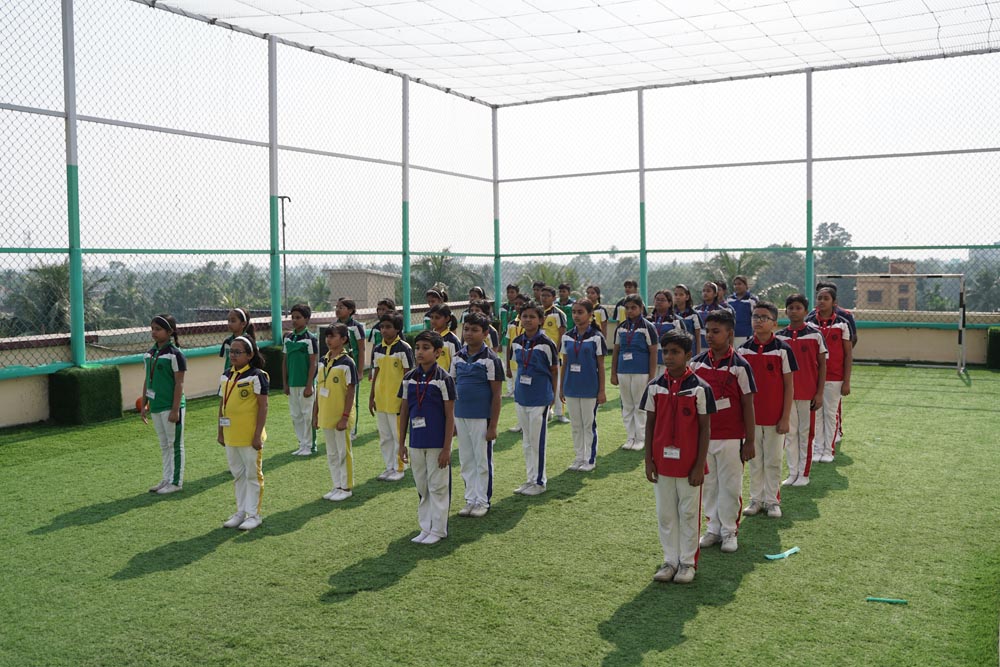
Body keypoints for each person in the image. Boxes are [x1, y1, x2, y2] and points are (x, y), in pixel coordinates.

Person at [641, 328, 716, 584]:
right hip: (662, 464)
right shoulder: (655, 387)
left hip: (689, 465)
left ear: (688, 354)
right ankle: (670, 561)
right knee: (666, 514)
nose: (669, 357)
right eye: (665, 352)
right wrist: (649, 460)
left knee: (688, 514)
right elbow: (650, 425)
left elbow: (705, 429)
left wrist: (699, 465)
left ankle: (687, 563)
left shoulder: (700, 388)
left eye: (675, 352)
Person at [691, 310, 757, 553]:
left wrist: (749, 440)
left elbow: (748, 404)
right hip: (704, 437)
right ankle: (713, 528)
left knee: (730, 486)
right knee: (709, 485)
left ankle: (729, 531)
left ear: (730, 333)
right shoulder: (696, 363)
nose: (709, 335)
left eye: (716, 331)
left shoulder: (740, 365)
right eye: (707, 331)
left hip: (731, 437)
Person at [738, 302, 798, 519]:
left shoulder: (783, 349)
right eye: (755, 316)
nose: (759, 321)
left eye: (764, 317)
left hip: (775, 417)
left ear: (774, 323)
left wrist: (785, 417)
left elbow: (789, 386)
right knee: (755, 461)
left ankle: (772, 501)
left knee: (773, 461)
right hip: (751, 418)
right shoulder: (743, 350)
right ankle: (756, 499)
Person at [398, 331, 456, 545]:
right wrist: (401, 443)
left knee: (438, 486)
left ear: (438, 352)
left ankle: (439, 530)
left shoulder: (444, 379)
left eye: (425, 348)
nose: (419, 352)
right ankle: (426, 527)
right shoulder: (409, 378)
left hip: (437, 442)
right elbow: (404, 411)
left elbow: (450, 415)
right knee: (422, 486)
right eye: (417, 348)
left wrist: (447, 448)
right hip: (416, 441)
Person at [452, 312, 504, 518]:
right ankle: (470, 499)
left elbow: (496, 395)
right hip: (460, 416)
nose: (469, 333)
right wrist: (452, 421)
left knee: (482, 460)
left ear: (485, 333)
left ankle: (483, 501)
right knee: (466, 459)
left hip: (482, 417)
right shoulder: (457, 357)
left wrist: (493, 426)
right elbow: (452, 389)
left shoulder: (491, 359)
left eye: (475, 330)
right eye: (466, 329)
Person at [217, 336, 268, 530]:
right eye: (231, 351)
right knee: (238, 474)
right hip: (231, 435)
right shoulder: (226, 375)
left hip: (249, 436)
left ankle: (254, 515)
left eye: (238, 352)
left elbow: (263, 406)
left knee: (253, 474)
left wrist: (257, 435)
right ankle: (241, 512)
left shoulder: (257, 376)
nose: (233, 355)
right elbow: (222, 405)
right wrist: (220, 432)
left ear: (250, 355)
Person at [509, 302, 559, 496]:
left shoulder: (547, 343)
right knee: (527, 441)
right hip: (522, 397)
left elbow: (554, 370)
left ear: (541, 320)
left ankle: (539, 482)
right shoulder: (517, 342)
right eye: (524, 316)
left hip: (540, 397)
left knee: (537, 442)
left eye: (532, 316)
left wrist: (552, 395)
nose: (528, 320)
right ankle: (530, 479)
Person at [777, 294, 827, 486]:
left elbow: (822, 366)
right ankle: (792, 472)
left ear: (806, 311)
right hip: (786, 395)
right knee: (790, 434)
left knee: (805, 433)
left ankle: (804, 474)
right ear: (786, 311)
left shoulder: (815, 335)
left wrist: (819, 393)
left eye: (798, 308)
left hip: (808, 394)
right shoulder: (780, 337)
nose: (794, 311)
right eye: (790, 308)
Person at [140, 314, 187, 495]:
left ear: (170, 332)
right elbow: (147, 380)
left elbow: (179, 383)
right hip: (156, 405)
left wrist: (175, 410)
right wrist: (144, 404)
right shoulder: (149, 354)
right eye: (152, 328)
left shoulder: (175, 354)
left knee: (174, 444)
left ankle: (176, 482)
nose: (154, 332)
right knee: (164, 444)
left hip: (171, 406)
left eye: (158, 329)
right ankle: (166, 478)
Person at [560, 299, 608, 472]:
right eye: (574, 312)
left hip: (590, 388)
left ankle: (590, 459)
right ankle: (579, 457)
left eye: (580, 312)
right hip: (571, 387)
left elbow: (601, 366)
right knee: (576, 425)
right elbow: (565, 364)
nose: (576, 315)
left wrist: (601, 391)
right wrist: (561, 387)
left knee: (588, 425)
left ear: (590, 314)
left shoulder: (596, 337)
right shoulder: (567, 336)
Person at [806, 287, 852, 463]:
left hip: (835, 376)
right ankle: (818, 449)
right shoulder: (810, 323)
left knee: (830, 414)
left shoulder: (842, 324)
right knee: (816, 413)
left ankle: (828, 450)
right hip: (814, 377)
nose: (822, 301)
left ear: (834, 302)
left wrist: (846, 381)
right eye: (819, 298)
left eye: (826, 298)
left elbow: (848, 354)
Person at [313, 324, 358, 501]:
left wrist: (345, 417)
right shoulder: (322, 361)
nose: (328, 340)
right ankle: (336, 485)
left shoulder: (347, 362)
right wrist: (315, 414)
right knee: (332, 453)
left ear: (344, 339)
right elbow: (319, 389)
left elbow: (351, 391)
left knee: (343, 452)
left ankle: (346, 488)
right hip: (326, 414)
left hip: (341, 416)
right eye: (327, 336)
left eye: (333, 336)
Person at [369, 313, 414, 482]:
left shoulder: (404, 348)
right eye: (382, 327)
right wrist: (372, 396)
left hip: (397, 400)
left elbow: (408, 375)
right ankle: (389, 467)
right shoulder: (377, 349)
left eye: (388, 327)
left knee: (398, 436)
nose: (384, 330)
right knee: (385, 436)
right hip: (381, 399)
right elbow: (376, 373)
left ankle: (400, 468)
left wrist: (405, 399)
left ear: (397, 329)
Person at [610, 294, 658, 451]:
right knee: (627, 405)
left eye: (633, 308)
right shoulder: (621, 327)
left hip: (641, 371)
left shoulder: (648, 327)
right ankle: (630, 436)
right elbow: (616, 351)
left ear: (641, 308)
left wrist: (652, 376)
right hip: (623, 370)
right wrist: (613, 373)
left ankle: (641, 438)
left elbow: (653, 352)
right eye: (627, 308)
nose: (630, 311)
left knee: (639, 405)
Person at [284, 303, 318, 456]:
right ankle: (301, 444)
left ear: (307, 319)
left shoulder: (310, 339)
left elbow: (313, 363)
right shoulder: (288, 338)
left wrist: (309, 385)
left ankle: (310, 446)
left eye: (298, 317)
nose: (294, 320)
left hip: (305, 384)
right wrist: (285, 383)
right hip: (292, 383)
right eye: (293, 317)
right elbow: (285, 362)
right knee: (295, 415)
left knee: (308, 415)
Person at [539, 285, 569, 423]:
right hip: (540, 354)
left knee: (557, 383)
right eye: (542, 295)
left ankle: (560, 413)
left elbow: (562, 334)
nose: (544, 298)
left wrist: (556, 352)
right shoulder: (537, 312)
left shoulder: (558, 314)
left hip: (555, 355)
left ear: (553, 298)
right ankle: (544, 410)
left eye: (547, 296)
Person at [335, 298, 366, 434]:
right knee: (338, 397)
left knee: (352, 399)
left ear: (350, 310)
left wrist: (360, 371)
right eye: (336, 307)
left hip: (352, 368)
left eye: (341, 307)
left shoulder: (356, 327)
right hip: (337, 368)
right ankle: (339, 424)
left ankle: (352, 430)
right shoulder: (334, 326)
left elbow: (361, 349)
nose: (337, 310)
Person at [503, 293, 528, 404]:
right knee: (518, 391)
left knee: (528, 389)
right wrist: (508, 366)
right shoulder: (511, 324)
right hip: (514, 362)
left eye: (521, 304)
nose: (518, 306)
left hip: (528, 361)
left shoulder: (530, 323)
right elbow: (509, 346)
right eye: (516, 304)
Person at [649, 289, 681, 377]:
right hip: (651, 361)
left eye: (662, 300)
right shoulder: (648, 320)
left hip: (668, 360)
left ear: (670, 303)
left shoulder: (675, 320)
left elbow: (681, 342)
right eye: (657, 300)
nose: (659, 302)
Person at [365, 298, 396, 379]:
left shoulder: (396, 327)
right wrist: (371, 367)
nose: (381, 312)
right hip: (379, 361)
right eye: (379, 309)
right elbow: (374, 348)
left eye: (383, 309)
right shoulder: (375, 329)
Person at [426, 304, 461, 373]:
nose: (433, 321)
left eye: (437, 318)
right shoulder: (428, 337)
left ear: (447, 318)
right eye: (431, 317)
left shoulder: (453, 341)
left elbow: (457, 363)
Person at [220, 307, 256, 373]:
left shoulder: (249, 342)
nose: (229, 324)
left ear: (243, 324)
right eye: (228, 321)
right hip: (230, 375)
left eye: (233, 321)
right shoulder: (227, 342)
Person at [727, 276, 758, 347]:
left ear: (746, 285)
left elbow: (756, 318)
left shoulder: (752, 300)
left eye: (739, 284)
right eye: (735, 284)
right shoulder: (729, 299)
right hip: (731, 337)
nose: (737, 286)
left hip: (746, 336)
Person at [696, 282, 728, 349]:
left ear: (715, 294)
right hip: (700, 344)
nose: (705, 293)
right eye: (703, 291)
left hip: (716, 344)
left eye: (708, 291)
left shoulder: (720, 310)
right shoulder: (696, 309)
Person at [673, 284, 702, 355]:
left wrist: (698, 355)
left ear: (687, 297)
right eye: (675, 295)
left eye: (681, 295)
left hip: (690, 351)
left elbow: (698, 337)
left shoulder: (693, 314)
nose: (677, 297)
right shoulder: (671, 315)